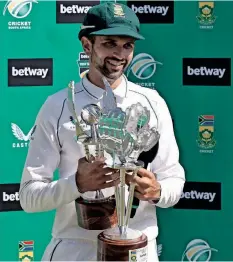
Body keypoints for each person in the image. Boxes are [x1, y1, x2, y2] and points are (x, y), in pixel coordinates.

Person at [19, 2, 185, 261]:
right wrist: (76, 184)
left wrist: (157, 191)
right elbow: (29, 197)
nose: (120, 54)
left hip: (138, 250)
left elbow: (174, 182)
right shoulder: (59, 105)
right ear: (87, 45)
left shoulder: (152, 103)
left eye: (127, 45)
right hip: (75, 249)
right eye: (109, 43)